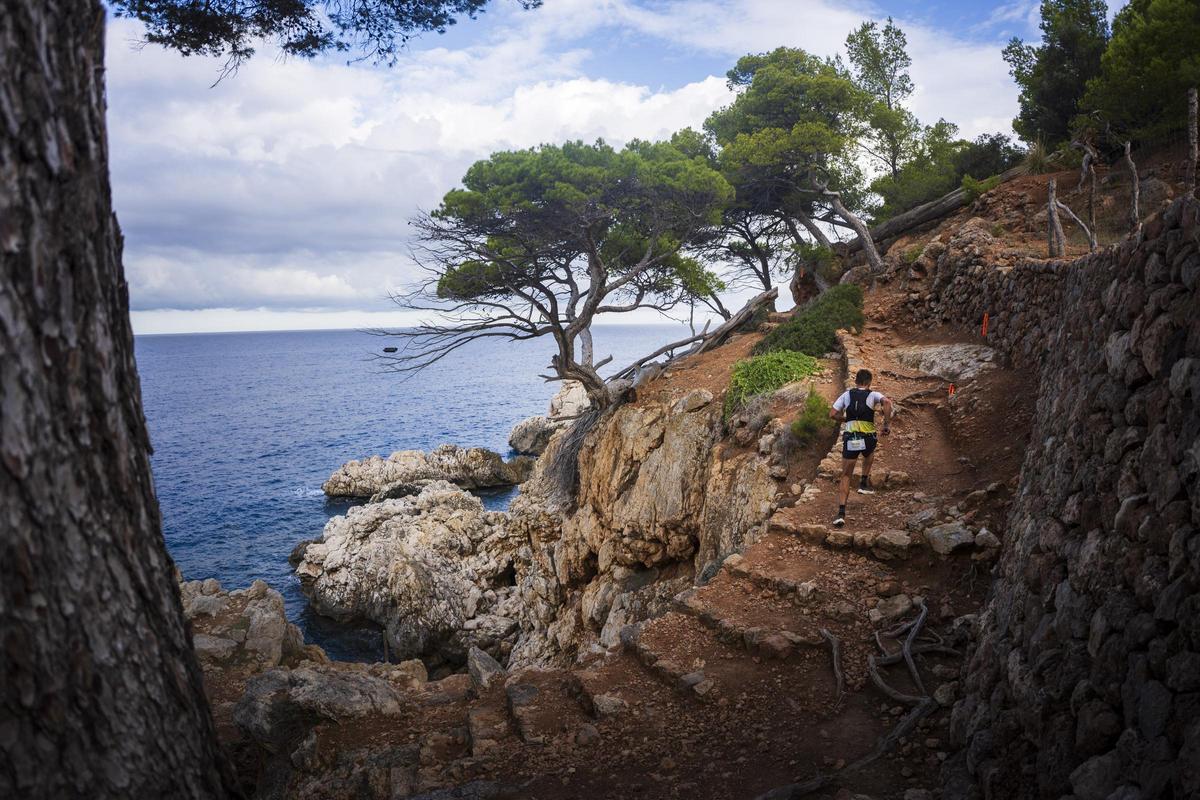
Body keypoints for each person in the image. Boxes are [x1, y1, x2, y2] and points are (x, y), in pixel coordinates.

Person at [830, 368, 893, 527]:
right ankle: (864, 483)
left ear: (856, 381)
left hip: (851, 438)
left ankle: (841, 513)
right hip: (867, 438)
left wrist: (845, 419)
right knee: (869, 454)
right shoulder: (873, 395)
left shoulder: (846, 395)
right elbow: (887, 402)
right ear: (869, 382)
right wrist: (886, 424)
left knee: (846, 475)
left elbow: (832, 414)